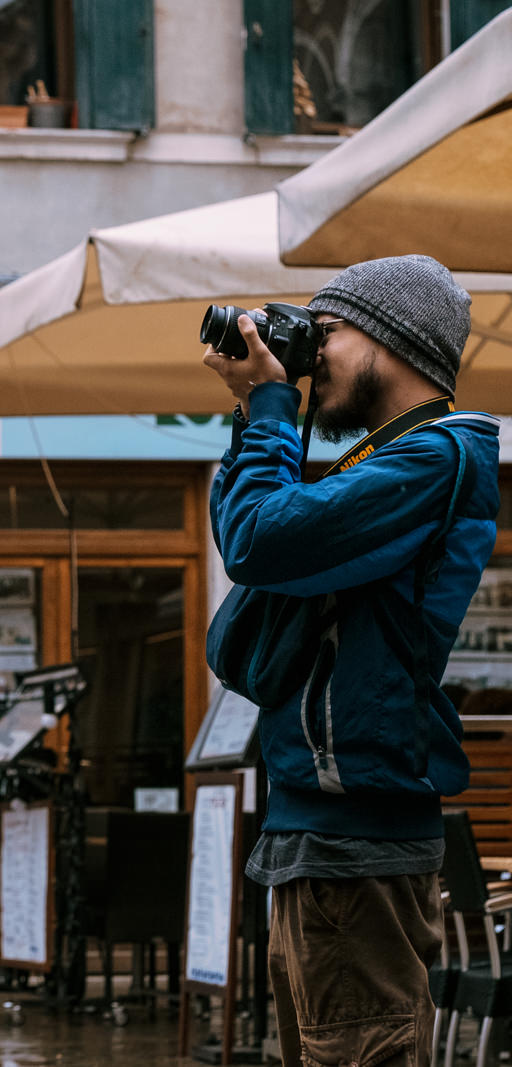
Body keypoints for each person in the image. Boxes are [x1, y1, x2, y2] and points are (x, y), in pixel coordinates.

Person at [204, 255, 499, 1067]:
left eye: (324, 333)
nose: (308, 354)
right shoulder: (383, 458)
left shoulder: (436, 458)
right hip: (323, 832)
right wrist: (256, 411)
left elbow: (258, 541)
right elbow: (259, 536)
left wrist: (267, 404)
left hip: (355, 841)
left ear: (390, 340)